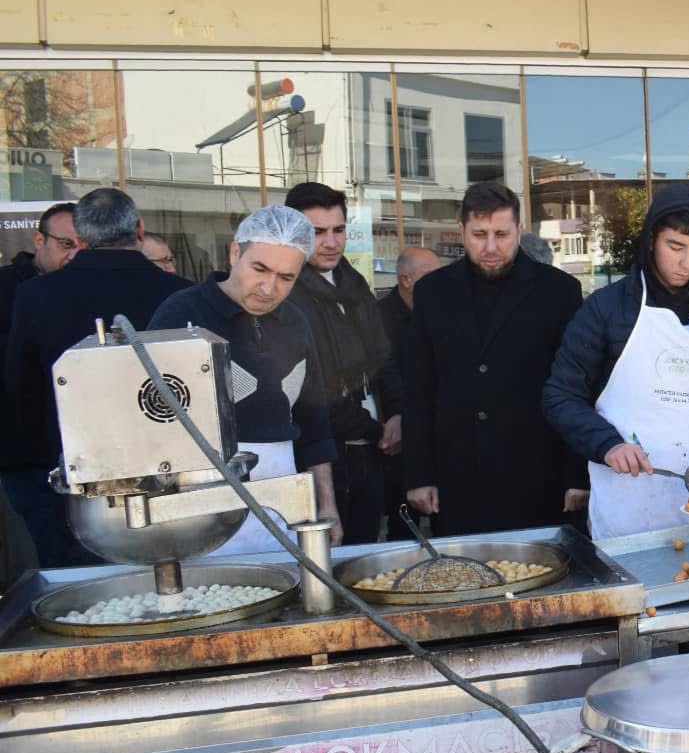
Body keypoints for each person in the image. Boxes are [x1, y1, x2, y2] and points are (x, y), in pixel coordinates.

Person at [544, 184, 689, 539]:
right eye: (675, 247)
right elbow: (560, 396)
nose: (686, 262)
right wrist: (607, 444)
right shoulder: (606, 309)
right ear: (651, 241)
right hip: (628, 505)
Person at [5, 189, 190, 567]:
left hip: (69, 471)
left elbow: (21, 388)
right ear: (139, 230)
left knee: (80, 588)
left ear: (82, 236)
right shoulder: (180, 293)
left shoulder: (35, 295)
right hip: (165, 472)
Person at [149, 206, 341, 553]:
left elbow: (314, 420)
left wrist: (326, 503)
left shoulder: (295, 322)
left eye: (286, 277)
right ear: (235, 252)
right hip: (202, 498)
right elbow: (153, 423)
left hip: (284, 490)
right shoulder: (182, 314)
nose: (269, 288)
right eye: (260, 269)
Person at [405, 182, 586, 536]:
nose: (491, 247)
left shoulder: (559, 292)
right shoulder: (431, 292)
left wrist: (577, 475)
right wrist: (418, 474)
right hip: (457, 478)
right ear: (461, 231)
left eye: (501, 234)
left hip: (538, 476)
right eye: (479, 234)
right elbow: (419, 387)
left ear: (519, 229)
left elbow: (577, 388)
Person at [283, 182, 398, 546]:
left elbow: (383, 356)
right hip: (324, 454)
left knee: (365, 557)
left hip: (372, 449)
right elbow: (312, 390)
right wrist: (376, 430)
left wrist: (396, 415)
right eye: (317, 232)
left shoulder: (354, 281)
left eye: (338, 230)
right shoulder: (287, 293)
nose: (331, 242)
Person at [0, 203, 83, 566]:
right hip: (26, 454)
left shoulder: (83, 289)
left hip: (83, 453)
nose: (75, 255)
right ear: (39, 240)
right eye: (66, 244)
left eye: (83, 247)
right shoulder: (6, 289)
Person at [378, 246, 442, 537]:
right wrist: (400, 412)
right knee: (401, 516)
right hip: (395, 426)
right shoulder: (381, 316)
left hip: (435, 422)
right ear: (406, 279)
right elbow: (385, 367)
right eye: (432, 275)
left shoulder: (441, 312)